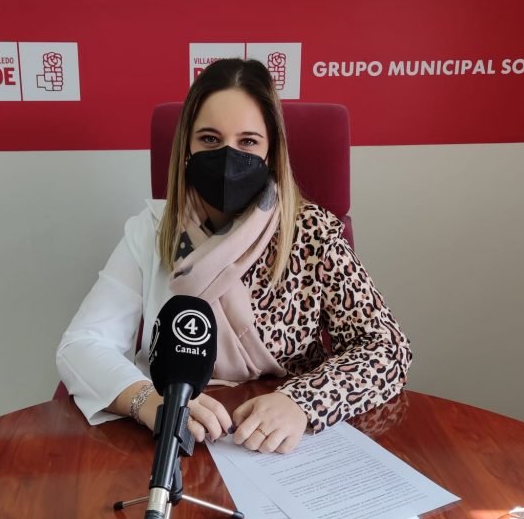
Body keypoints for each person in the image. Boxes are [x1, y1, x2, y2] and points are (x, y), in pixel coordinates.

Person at [56, 58, 411, 454]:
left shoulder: (312, 233)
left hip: (283, 443)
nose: (228, 157)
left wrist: (302, 403)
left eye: (248, 142)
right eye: (210, 139)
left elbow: (387, 349)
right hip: (176, 432)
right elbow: (82, 344)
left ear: (271, 152)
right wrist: (149, 402)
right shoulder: (152, 230)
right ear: (186, 149)